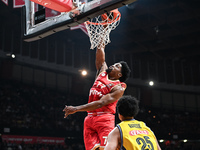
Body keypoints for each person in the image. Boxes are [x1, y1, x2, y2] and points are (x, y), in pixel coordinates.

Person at [63, 42, 131, 150]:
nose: (113, 65)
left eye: (117, 66)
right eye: (115, 63)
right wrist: (102, 35)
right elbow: (100, 53)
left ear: (119, 75)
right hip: (89, 118)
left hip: (104, 118)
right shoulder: (102, 72)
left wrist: (76, 108)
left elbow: (101, 103)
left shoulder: (119, 87)